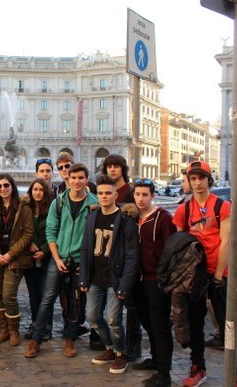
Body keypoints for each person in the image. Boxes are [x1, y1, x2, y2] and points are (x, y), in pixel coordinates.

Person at [172, 160, 237, 387]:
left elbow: (226, 242)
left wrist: (219, 275)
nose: (197, 183)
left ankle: (236, 373)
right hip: (194, 275)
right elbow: (179, 244)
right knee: (195, 323)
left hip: (218, 273)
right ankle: (198, 367)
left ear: (209, 180)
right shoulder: (184, 209)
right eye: (193, 179)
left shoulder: (221, 206)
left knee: (226, 324)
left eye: (201, 178)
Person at [24, 163, 98, 359]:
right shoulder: (58, 203)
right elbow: (51, 232)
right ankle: (36, 339)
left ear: (86, 179)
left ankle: (70, 339)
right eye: (74, 178)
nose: (77, 181)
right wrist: (56, 259)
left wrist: (86, 262)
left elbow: (96, 236)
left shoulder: (94, 204)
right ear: (68, 179)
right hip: (59, 258)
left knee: (76, 301)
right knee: (47, 298)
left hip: (80, 261)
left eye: (81, 178)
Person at [79, 174, 140, 375]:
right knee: (93, 317)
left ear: (115, 195)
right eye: (100, 193)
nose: (104, 196)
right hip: (95, 277)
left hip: (116, 278)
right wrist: (83, 277)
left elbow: (132, 256)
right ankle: (110, 348)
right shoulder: (92, 217)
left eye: (108, 193)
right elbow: (85, 249)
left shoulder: (125, 220)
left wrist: (125, 284)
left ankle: (121, 354)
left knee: (114, 320)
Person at [0, 173, 33, 346]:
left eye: (6, 185)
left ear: (12, 187)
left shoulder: (23, 208)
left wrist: (11, 254)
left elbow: (28, 234)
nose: (3, 189)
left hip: (14, 258)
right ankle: (3, 330)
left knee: (9, 295)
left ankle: (14, 331)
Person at [131, 179, 176, 387]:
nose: (141, 199)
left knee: (160, 326)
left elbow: (170, 249)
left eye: (145, 195)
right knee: (148, 322)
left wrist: (164, 276)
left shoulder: (163, 218)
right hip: (138, 280)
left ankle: (164, 374)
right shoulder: (133, 217)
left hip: (156, 280)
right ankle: (156, 359)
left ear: (152, 196)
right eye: (137, 194)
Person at [100, 153, 139, 360]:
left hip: (127, 252)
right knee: (107, 305)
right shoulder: (104, 190)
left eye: (116, 166)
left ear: (123, 169)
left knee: (131, 305)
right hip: (109, 255)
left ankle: (133, 345)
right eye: (109, 166)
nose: (112, 169)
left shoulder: (131, 192)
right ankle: (107, 343)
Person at [22, 178, 54, 340]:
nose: (38, 192)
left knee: (45, 294)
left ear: (46, 192)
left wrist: (43, 250)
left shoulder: (52, 209)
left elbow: (55, 232)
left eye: (41, 189)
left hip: (47, 257)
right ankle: (35, 323)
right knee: (33, 294)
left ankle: (46, 326)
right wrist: (29, 244)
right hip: (29, 257)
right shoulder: (25, 208)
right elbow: (21, 229)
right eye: (35, 189)